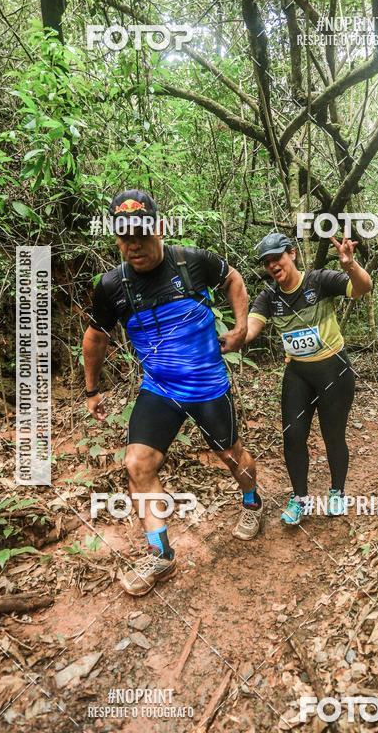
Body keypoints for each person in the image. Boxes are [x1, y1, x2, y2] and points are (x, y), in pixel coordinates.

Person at [82, 190, 263, 596]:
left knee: (231, 456)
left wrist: (239, 328)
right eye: (124, 236)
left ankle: (252, 500)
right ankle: (161, 555)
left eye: (141, 234)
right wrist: (91, 389)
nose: (133, 245)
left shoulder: (192, 262)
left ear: (160, 228)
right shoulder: (112, 285)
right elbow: (95, 337)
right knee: (137, 463)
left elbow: (233, 279)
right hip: (159, 389)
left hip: (207, 385)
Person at [245, 231, 372, 525]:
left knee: (333, 435)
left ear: (292, 253)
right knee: (293, 436)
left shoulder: (318, 281)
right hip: (298, 374)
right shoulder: (269, 297)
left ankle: (337, 492)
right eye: (267, 262)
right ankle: (300, 499)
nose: (272, 265)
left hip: (334, 371)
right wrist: (229, 338)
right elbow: (251, 328)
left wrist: (350, 265)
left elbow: (363, 287)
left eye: (277, 257)